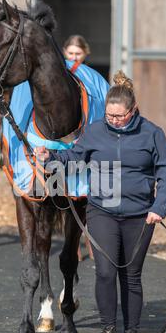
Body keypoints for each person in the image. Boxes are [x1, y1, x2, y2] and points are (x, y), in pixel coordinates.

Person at [34, 70, 166, 333]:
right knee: (104, 273)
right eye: (110, 116)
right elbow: (75, 159)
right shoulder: (96, 131)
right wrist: (51, 158)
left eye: (120, 116)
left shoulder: (152, 134)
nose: (114, 121)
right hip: (102, 211)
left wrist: (158, 208)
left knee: (131, 277)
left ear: (133, 110)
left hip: (140, 215)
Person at [63, 34, 94, 260]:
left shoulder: (92, 80)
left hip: (86, 139)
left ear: (85, 54)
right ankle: (72, 242)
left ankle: (90, 239)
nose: (74, 58)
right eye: (71, 53)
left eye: (78, 54)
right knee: (66, 194)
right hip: (67, 141)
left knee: (89, 193)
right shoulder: (62, 79)